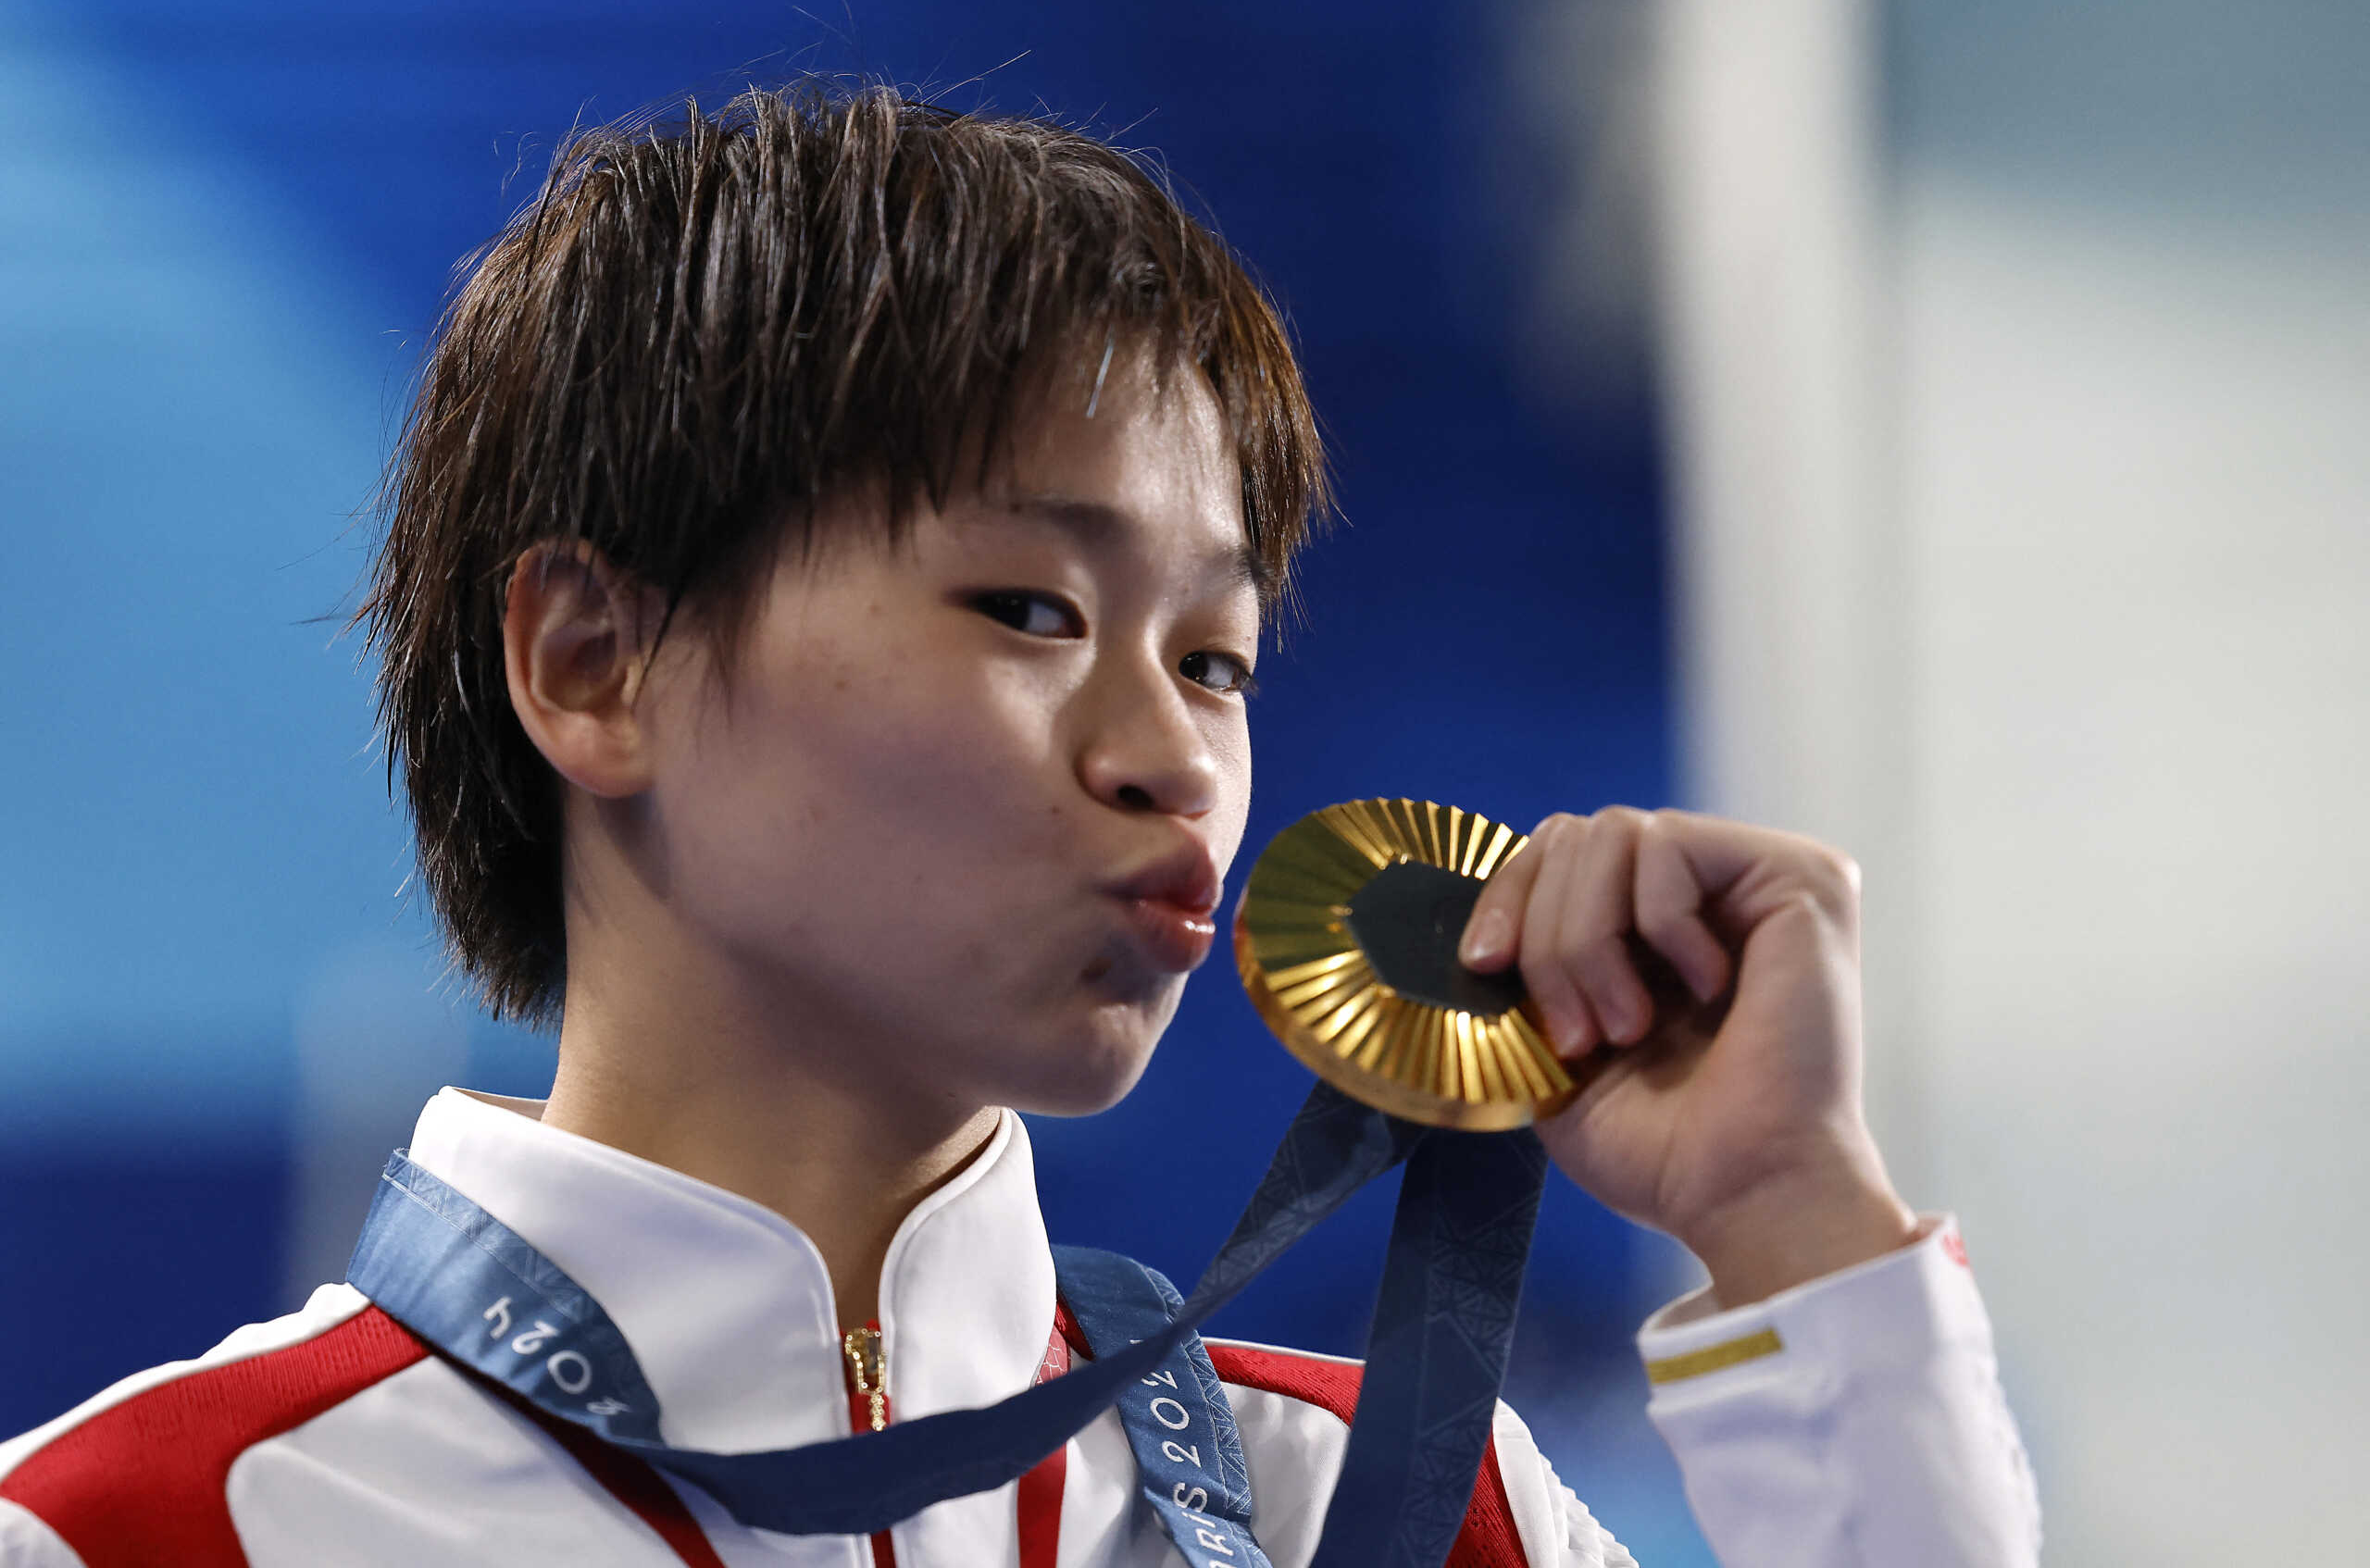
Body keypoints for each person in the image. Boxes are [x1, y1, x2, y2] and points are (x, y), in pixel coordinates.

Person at [0, 83, 2039, 1568]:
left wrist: (1785, 1217)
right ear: (593, 660)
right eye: (1031, 610)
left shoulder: (1400, 1510)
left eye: (1220, 657)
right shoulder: (150, 1529)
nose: (1176, 759)